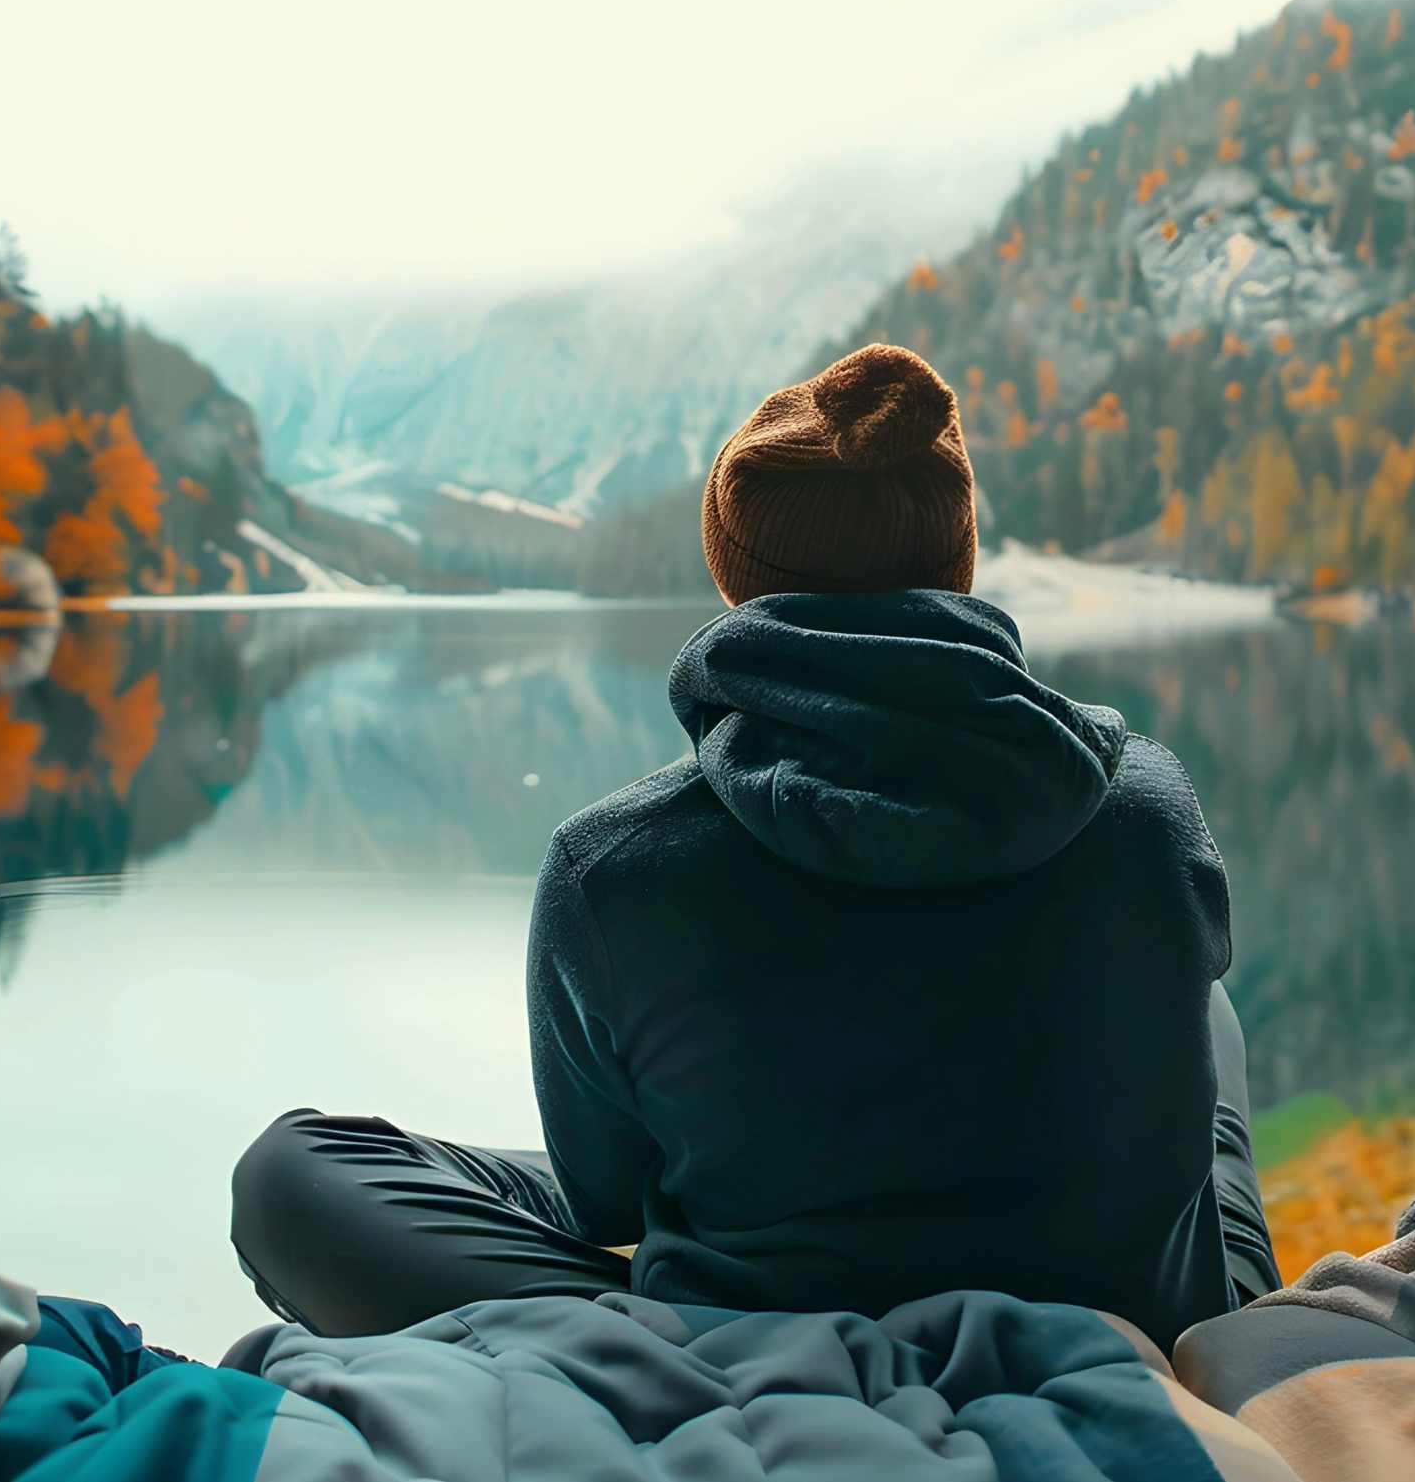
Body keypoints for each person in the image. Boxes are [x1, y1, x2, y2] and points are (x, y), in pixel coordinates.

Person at [229, 343, 1279, 1348]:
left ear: (741, 576)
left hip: (763, 1329)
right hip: (1143, 1310)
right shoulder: (1144, 797)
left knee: (293, 1175)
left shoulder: (613, 864)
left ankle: (672, 1330)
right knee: (1206, 1007)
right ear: (957, 558)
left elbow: (601, 1194)